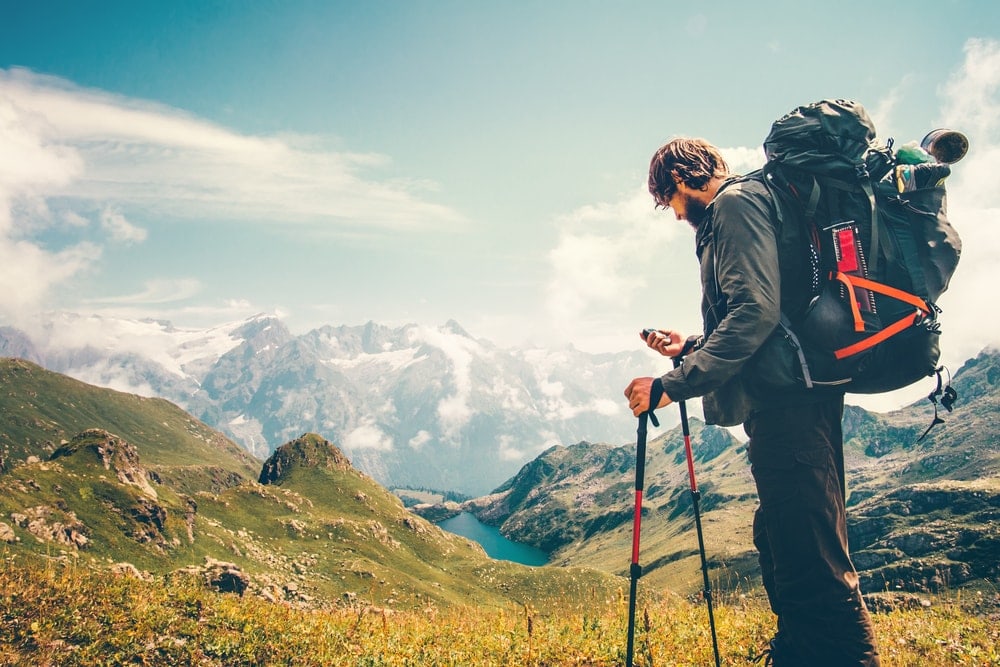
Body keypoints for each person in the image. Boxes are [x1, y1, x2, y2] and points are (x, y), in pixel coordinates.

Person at [623, 138, 880, 666]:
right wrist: (691, 346)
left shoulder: (735, 206)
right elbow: (771, 322)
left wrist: (670, 386)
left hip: (791, 407)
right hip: (789, 402)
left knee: (810, 555)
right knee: (785, 540)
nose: (673, 216)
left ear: (682, 180)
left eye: (667, 200)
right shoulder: (753, 205)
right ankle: (796, 652)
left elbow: (754, 315)